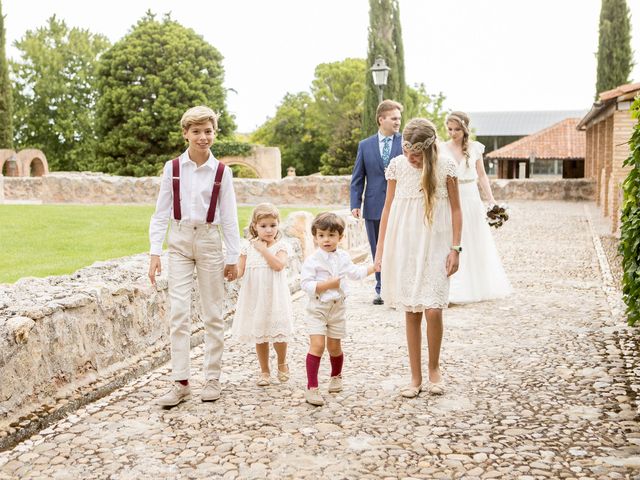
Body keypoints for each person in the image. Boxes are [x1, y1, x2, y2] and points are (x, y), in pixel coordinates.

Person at [148, 105, 241, 407]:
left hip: (210, 241)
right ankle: (181, 381)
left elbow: (229, 217)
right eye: (197, 131)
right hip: (179, 240)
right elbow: (160, 213)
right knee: (179, 313)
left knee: (213, 313)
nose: (203, 137)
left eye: (208, 131)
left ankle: (212, 378)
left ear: (214, 133)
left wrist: (233, 255)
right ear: (185, 133)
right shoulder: (172, 168)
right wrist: (154, 252)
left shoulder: (222, 172)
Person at [374, 118, 462, 398]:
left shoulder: (445, 167)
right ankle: (415, 376)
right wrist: (380, 249)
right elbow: (387, 209)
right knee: (411, 310)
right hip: (406, 245)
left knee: (433, 309)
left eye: (416, 154)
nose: (411, 159)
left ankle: (434, 368)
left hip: (436, 244)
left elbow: (458, 211)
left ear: (428, 149)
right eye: (407, 152)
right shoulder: (397, 167)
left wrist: (455, 248)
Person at [300, 212, 376, 406]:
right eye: (322, 235)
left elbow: (355, 273)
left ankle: (336, 375)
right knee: (317, 345)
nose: (326, 239)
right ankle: (312, 387)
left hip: (337, 308)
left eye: (331, 235)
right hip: (317, 307)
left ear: (340, 238)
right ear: (315, 237)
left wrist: (373, 268)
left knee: (334, 346)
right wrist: (326, 285)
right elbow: (306, 285)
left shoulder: (343, 257)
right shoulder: (312, 260)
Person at [440, 111, 512, 303]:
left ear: (464, 129)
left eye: (456, 129)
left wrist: (491, 200)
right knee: (452, 239)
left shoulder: (475, 148)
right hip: (450, 197)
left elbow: (482, 175)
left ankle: (476, 286)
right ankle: (452, 286)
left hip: (470, 197)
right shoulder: (441, 148)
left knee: (473, 239)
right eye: (449, 129)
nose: (453, 133)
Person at [231, 203, 293, 386]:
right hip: (256, 297)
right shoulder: (247, 247)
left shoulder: (281, 246)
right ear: (254, 226)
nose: (268, 230)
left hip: (275, 296)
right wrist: (229, 272)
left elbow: (278, 265)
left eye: (273, 225)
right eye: (263, 226)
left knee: (278, 333)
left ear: (278, 225)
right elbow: (240, 270)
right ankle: (264, 370)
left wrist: (263, 249)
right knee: (261, 334)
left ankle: (282, 363)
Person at [350, 100, 403, 305]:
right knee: (377, 248)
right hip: (373, 205)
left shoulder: (405, 142)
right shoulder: (365, 145)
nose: (398, 122)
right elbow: (357, 177)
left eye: (399, 118)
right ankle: (381, 288)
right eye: (394, 118)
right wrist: (355, 203)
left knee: (399, 246)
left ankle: (399, 286)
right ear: (382, 119)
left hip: (400, 204)